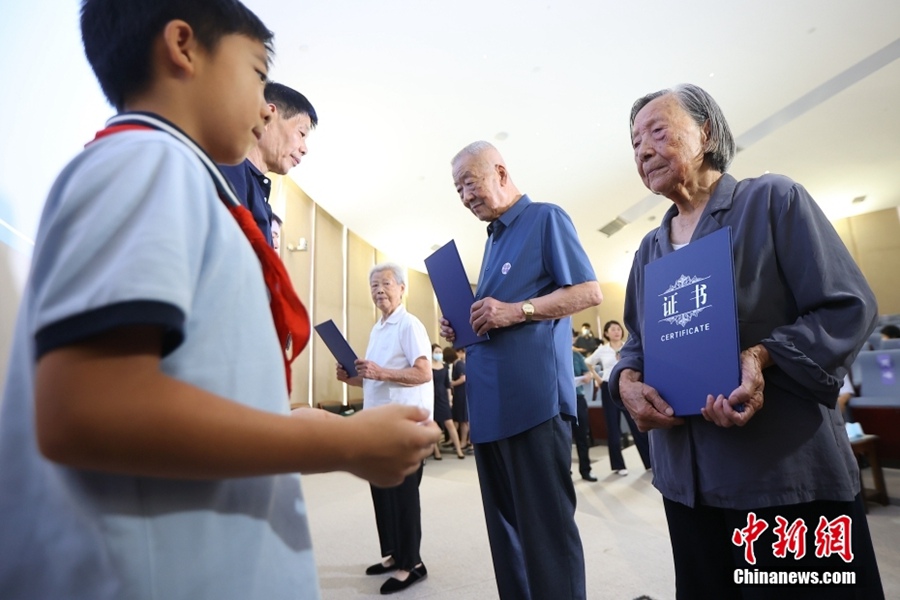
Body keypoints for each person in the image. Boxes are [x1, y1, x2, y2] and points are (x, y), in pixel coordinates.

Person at [0, 3, 439, 599]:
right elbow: (87, 406)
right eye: (260, 74)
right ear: (183, 47)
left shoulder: (183, 179)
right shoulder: (147, 163)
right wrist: (343, 443)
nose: (266, 106)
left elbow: (213, 389)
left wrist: (331, 430)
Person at [611, 83, 884, 599]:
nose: (642, 149)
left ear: (705, 131)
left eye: (657, 131)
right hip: (686, 484)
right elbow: (635, 344)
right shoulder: (649, 249)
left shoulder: (772, 200)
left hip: (778, 473)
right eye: (633, 143)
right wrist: (625, 379)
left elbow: (848, 305)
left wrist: (762, 355)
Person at [441, 141, 602, 600]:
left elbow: (589, 292)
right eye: (458, 190)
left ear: (500, 171)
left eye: (469, 183)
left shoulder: (545, 218)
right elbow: (492, 316)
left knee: (546, 536)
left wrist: (517, 310)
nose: (465, 196)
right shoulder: (491, 241)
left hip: (534, 404)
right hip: (489, 408)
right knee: (506, 537)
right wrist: (462, 322)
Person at [336, 263, 433, 595]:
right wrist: (352, 378)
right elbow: (375, 380)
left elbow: (423, 373)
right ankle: (393, 554)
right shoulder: (378, 329)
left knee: (404, 496)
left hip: (405, 425)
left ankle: (413, 565)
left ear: (402, 288)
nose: (379, 289)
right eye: (374, 284)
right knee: (382, 492)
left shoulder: (409, 324)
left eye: (386, 283)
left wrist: (380, 373)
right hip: (377, 423)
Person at [219, 82, 317, 246]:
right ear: (268, 116)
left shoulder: (256, 187)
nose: (304, 149)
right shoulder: (229, 166)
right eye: (301, 133)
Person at [587, 320, 651, 476]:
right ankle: (618, 465)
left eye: (618, 329)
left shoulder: (628, 347)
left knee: (636, 424)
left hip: (627, 389)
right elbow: (588, 363)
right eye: (612, 329)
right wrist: (597, 378)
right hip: (608, 387)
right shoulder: (602, 350)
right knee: (613, 427)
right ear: (607, 333)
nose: (616, 331)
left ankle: (649, 462)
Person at [572, 330, 601, 481]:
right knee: (562, 440)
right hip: (558, 401)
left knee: (582, 436)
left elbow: (588, 375)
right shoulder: (552, 353)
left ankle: (585, 470)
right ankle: (565, 472)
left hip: (577, 397)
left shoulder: (577, 356)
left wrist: (586, 377)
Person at [430, 343, 464, 460]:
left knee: (449, 423)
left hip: (443, 396)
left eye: (440, 352)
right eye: (436, 352)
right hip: (431, 397)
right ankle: (436, 451)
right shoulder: (427, 367)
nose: (439, 354)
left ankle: (459, 449)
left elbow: (447, 384)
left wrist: (450, 398)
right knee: (432, 424)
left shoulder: (444, 366)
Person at [446, 346, 471, 452]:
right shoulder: (457, 364)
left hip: (462, 394)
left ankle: (463, 441)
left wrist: (451, 384)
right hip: (459, 394)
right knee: (459, 419)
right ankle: (455, 440)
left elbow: (463, 378)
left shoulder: (459, 364)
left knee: (463, 420)